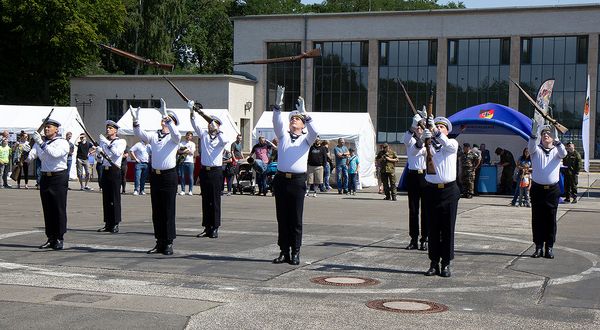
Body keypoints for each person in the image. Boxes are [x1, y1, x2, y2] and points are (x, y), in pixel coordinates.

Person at [271, 86, 318, 266]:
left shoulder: (306, 139)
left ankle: (296, 251)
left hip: (298, 181)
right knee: (282, 217)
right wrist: (277, 105)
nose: (294, 121)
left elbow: (315, 131)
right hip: (282, 179)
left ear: (303, 124)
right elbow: (277, 123)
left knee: (296, 218)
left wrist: (305, 113)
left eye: (297, 119)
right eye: (292, 118)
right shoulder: (283, 136)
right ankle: (284, 250)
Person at [132, 99, 181, 255]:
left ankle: (168, 242)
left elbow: (177, 135)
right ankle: (159, 241)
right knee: (157, 210)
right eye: (164, 120)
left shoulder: (174, 137)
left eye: (169, 120)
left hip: (169, 176)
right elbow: (140, 134)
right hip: (156, 176)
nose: (165, 122)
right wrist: (135, 121)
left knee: (168, 210)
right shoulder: (155, 136)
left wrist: (168, 117)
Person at [422, 116, 459, 278]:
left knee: (447, 228)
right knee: (433, 228)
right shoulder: (428, 145)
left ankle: (446, 263)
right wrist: (420, 136)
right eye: (436, 126)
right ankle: (433, 262)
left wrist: (435, 132)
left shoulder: (452, 144)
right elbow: (414, 150)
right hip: (431, 191)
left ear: (447, 131)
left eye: (441, 127)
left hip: (449, 191)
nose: (438, 128)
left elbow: (446, 142)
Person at [26, 118, 70, 250]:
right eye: (45, 127)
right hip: (45, 178)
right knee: (48, 209)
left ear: (56, 129)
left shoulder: (62, 143)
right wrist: (26, 151)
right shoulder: (41, 143)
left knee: (58, 208)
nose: (46, 129)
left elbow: (55, 154)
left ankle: (59, 238)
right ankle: (50, 237)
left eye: (49, 127)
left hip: (58, 177)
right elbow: (31, 158)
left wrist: (40, 142)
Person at [190, 100, 229, 238]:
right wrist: (192, 111)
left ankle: (215, 227)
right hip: (205, 171)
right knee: (205, 200)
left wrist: (217, 129)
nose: (210, 125)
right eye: (209, 123)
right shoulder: (205, 135)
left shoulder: (220, 137)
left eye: (213, 123)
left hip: (216, 171)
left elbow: (225, 141)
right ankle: (207, 227)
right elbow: (194, 125)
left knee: (215, 200)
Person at [528, 122, 566, 259]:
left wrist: (557, 140)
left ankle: (549, 247)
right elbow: (530, 147)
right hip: (538, 189)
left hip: (552, 191)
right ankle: (538, 247)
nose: (545, 135)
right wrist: (533, 134)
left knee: (551, 219)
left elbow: (564, 153)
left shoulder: (557, 150)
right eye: (543, 134)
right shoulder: (536, 150)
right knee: (537, 219)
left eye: (548, 134)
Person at [96, 121, 127, 233]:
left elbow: (117, 153)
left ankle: (115, 223)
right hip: (105, 170)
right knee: (106, 198)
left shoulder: (121, 141)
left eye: (110, 128)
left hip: (114, 170)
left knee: (115, 198)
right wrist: (99, 153)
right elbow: (100, 159)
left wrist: (107, 144)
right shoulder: (104, 142)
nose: (108, 130)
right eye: (107, 128)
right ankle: (107, 223)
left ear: (115, 130)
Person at [403, 114, 428, 251]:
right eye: (417, 126)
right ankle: (413, 239)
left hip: (425, 176)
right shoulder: (409, 139)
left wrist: (425, 140)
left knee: (425, 210)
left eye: (421, 126)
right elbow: (414, 151)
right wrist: (415, 122)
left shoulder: (428, 140)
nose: (419, 128)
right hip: (412, 176)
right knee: (413, 210)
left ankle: (425, 239)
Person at [178, 131, 196, 196]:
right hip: (182, 161)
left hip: (190, 162)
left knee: (190, 176)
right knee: (182, 176)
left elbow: (192, 152)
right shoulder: (181, 143)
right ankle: (183, 190)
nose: (189, 137)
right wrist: (186, 150)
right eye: (188, 135)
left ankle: (190, 190)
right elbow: (179, 151)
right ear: (186, 136)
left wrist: (184, 150)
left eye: (190, 136)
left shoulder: (193, 144)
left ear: (191, 137)